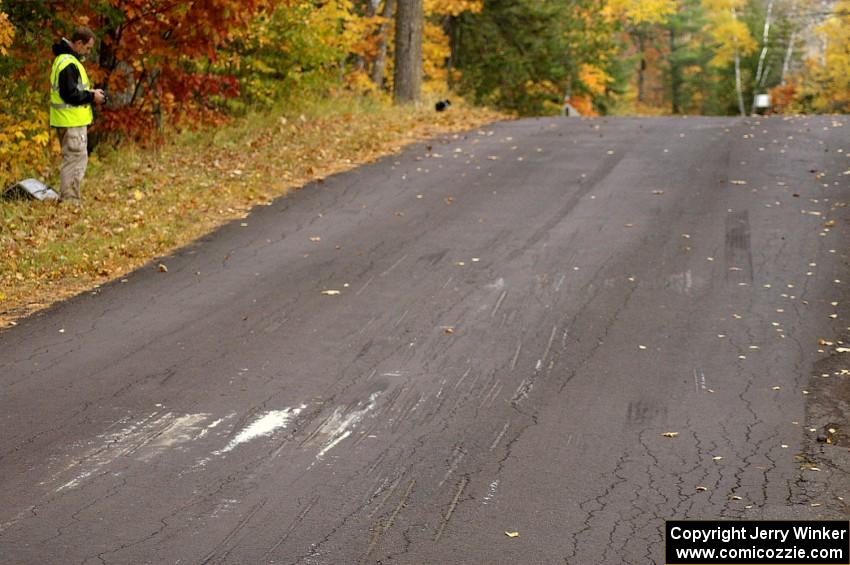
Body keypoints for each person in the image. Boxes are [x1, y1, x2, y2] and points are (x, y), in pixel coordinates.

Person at [49, 26, 105, 205]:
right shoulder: (68, 63)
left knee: (72, 159)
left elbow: (71, 91)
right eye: (87, 48)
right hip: (71, 121)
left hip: (66, 120)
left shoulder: (64, 60)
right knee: (75, 161)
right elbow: (70, 94)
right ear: (79, 43)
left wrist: (91, 92)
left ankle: (68, 200)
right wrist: (91, 96)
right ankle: (70, 202)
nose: (88, 52)